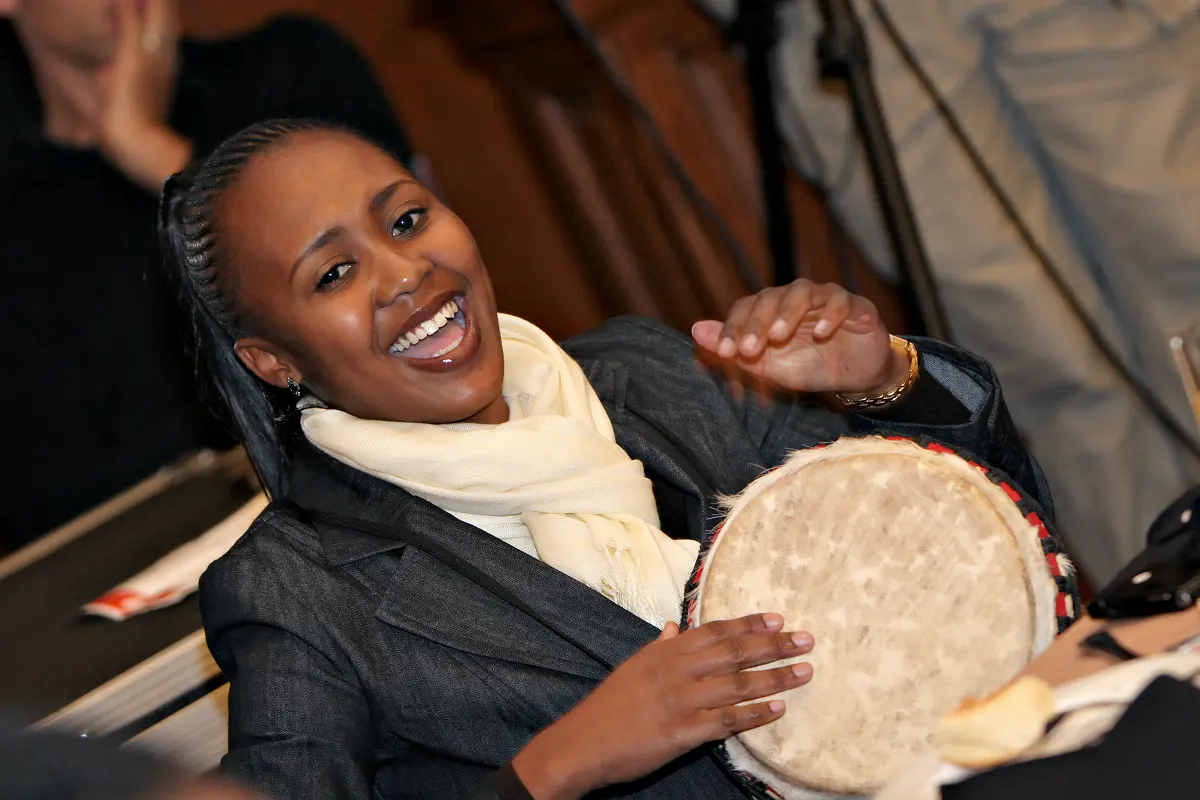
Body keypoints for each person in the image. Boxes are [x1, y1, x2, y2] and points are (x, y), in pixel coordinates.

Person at [160, 118, 1053, 799]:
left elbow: (997, 571)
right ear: (271, 361)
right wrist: (558, 765)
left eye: (405, 218)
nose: (402, 273)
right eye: (331, 275)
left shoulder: (646, 371)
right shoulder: (294, 594)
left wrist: (881, 380)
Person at [0, 0, 411, 548]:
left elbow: (394, 283)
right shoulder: (17, 229)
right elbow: (44, 504)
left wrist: (148, 150)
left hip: (394, 496)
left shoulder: (293, 68)